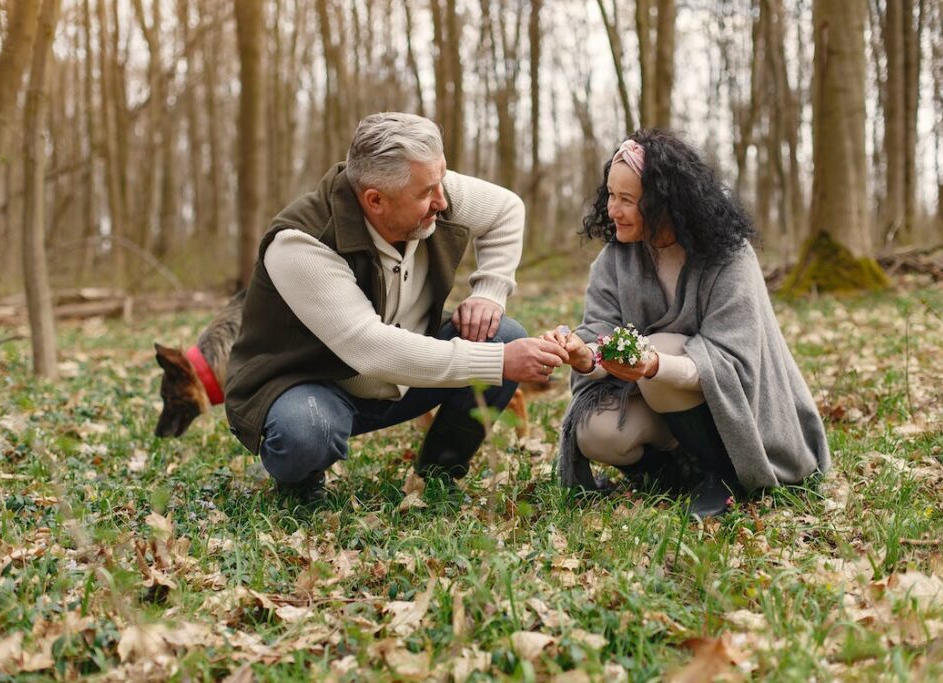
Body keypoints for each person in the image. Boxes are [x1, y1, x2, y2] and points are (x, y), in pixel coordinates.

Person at [224, 112, 568, 501]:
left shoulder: (425, 185)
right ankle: (300, 484)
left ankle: (437, 475)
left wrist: (489, 291)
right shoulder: (301, 242)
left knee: (502, 335)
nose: (442, 201)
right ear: (375, 200)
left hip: (405, 379)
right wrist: (498, 363)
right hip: (313, 385)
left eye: (441, 183)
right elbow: (370, 348)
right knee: (307, 430)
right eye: (426, 194)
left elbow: (506, 209)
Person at [543, 129, 830, 518]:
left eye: (627, 199)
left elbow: (736, 362)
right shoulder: (614, 261)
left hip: (739, 411)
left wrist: (654, 365)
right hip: (658, 400)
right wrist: (582, 356)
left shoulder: (727, 256)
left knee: (659, 351)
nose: (612, 210)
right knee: (597, 431)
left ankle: (724, 475)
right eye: (610, 195)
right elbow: (600, 334)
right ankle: (674, 475)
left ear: (665, 202)